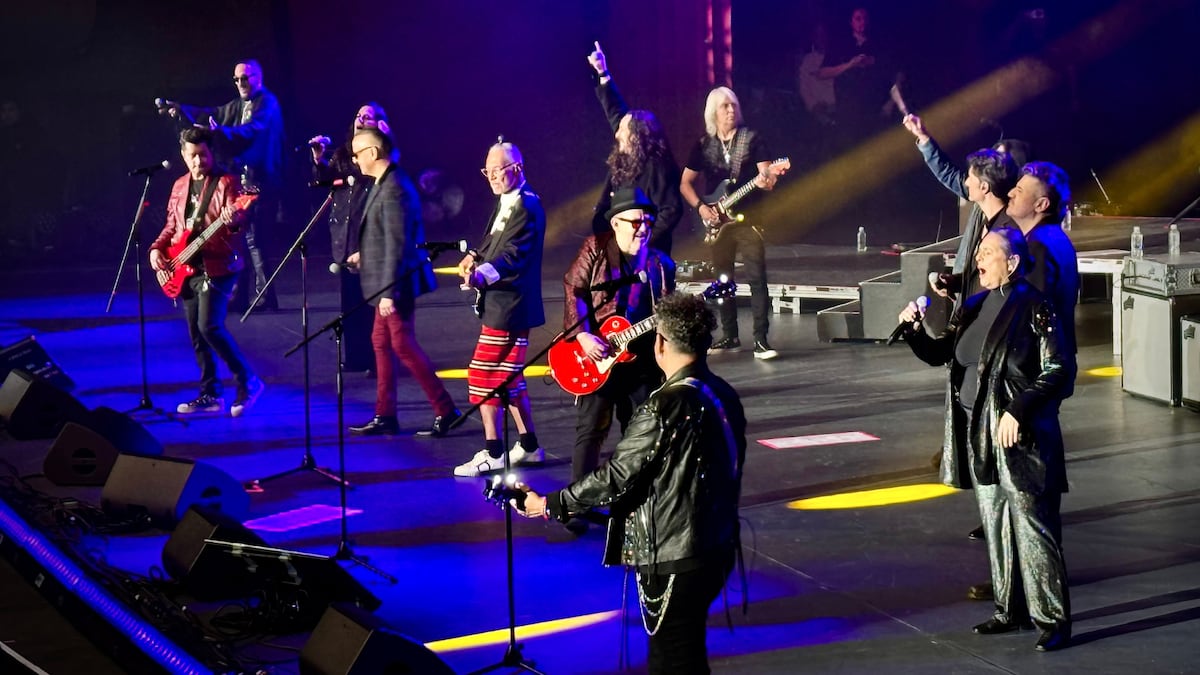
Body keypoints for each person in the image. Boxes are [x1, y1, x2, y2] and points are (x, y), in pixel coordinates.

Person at [519, 292, 747, 673]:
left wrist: (549, 505)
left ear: (660, 343)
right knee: (686, 653)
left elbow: (617, 476)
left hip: (677, 554)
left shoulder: (663, 405)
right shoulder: (723, 393)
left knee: (671, 658)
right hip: (716, 544)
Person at [898, 225, 1072, 652]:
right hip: (979, 430)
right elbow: (944, 355)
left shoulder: (1036, 308)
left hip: (1021, 436)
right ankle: (1008, 610)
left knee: (1032, 526)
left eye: (988, 253)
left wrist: (1018, 408)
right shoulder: (974, 305)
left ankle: (1052, 619)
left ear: (1012, 262)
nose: (978, 259)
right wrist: (915, 329)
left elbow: (1059, 371)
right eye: (979, 252)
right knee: (994, 522)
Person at [558, 186, 676, 538]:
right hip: (595, 353)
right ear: (616, 223)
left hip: (640, 359)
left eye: (648, 223)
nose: (643, 229)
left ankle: (633, 502)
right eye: (636, 222)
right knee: (591, 428)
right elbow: (573, 289)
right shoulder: (595, 249)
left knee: (638, 433)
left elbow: (666, 313)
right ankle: (576, 504)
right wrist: (582, 334)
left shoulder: (659, 264)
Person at [344, 128, 460, 437]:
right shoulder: (384, 184)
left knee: (402, 345)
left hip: (395, 285)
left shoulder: (395, 188)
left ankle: (446, 409)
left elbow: (399, 245)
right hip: (386, 283)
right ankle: (385, 414)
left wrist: (389, 292)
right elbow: (385, 239)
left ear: (373, 153)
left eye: (357, 154)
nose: (354, 161)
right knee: (381, 343)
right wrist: (363, 255)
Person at [149, 128, 264, 417]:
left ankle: (248, 380)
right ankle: (210, 393)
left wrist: (234, 220)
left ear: (211, 153)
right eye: (192, 156)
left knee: (209, 326)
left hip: (219, 265)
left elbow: (239, 227)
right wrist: (156, 250)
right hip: (185, 266)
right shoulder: (179, 186)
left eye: (203, 155)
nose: (198, 161)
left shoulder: (227, 183)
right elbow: (171, 227)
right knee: (195, 333)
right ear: (183, 156)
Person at [452, 141, 547, 476]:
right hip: (505, 303)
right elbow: (493, 241)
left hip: (510, 305)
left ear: (517, 168)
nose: (491, 177)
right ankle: (530, 446)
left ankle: (493, 451)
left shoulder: (527, 206)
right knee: (509, 378)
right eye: (487, 171)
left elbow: (513, 255)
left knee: (482, 375)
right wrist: (474, 257)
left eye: (497, 170)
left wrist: (480, 275)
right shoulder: (508, 200)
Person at [163, 59, 286, 311]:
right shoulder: (237, 104)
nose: (240, 83)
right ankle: (240, 296)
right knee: (240, 238)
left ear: (258, 78)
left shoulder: (267, 103)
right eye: (237, 79)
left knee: (256, 240)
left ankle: (265, 297)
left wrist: (219, 132)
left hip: (261, 180)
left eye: (245, 78)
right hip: (244, 180)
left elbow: (252, 130)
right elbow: (215, 113)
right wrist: (182, 109)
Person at [680, 87, 779, 360]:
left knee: (757, 279)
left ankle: (761, 340)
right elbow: (685, 183)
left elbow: (767, 180)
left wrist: (767, 179)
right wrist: (701, 207)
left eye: (734, 105)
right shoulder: (703, 145)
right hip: (716, 222)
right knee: (723, 279)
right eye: (725, 106)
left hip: (749, 221)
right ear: (713, 112)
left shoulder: (752, 139)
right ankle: (729, 335)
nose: (731, 110)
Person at [902, 114, 1020, 310]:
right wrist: (923, 137)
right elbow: (947, 173)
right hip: (966, 309)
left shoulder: (1008, 231)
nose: (965, 182)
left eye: (970, 178)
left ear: (984, 187)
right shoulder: (982, 208)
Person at [309, 103, 390, 373]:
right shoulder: (343, 153)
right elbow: (324, 182)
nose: (361, 118)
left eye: (368, 116)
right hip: (343, 233)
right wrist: (319, 161)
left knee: (371, 303)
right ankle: (355, 355)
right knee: (350, 303)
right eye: (358, 115)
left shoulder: (379, 156)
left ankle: (374, 359)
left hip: (366, 232)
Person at [586, 42, 683, 256]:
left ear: (638, 137)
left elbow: (671, 210)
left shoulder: (658, 167)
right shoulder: (625, 157)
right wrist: (603, 73)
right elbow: (615, 112)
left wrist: (643, 240)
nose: (617, 134)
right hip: (617, 247)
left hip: (646, 253)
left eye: (623, 130)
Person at [1006, 161, 1079, 367]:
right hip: (1050, 358)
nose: (1011, 193)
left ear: (1041, 205)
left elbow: (1032, 309)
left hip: (1035, 363)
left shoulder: (1037, 247)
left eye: (1019, 190)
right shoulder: (1055, 238)